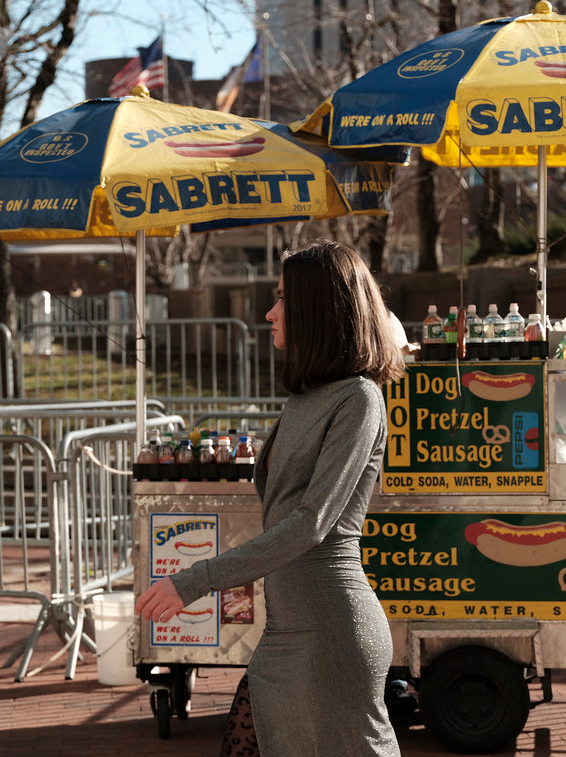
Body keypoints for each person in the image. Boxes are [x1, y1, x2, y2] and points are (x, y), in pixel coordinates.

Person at [135, 239, 405, 756]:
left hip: (331, 632)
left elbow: (310, 522)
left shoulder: (359, 398)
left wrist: (195, 580)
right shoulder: (305, 397)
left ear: (319, 309)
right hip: (288, 628)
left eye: (283, 298)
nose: (269, 312)